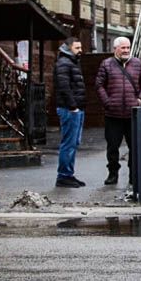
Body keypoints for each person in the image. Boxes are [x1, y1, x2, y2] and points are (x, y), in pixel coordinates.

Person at [96, 36, 141, 185]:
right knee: (112, 147)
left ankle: (134, 176)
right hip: (113, 114)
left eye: (128, 47)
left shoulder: (137, 64)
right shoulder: (106, 64)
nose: (126, 50)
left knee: (135, 147)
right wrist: (107, 102)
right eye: (123, 48)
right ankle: (113, 174)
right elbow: (99, 85)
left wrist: (140, 98)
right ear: (115, 49)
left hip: (133, 114)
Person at [53, 37, 86, 188]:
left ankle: (68, 174)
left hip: (74, 109)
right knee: (69, 143)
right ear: (68, 48)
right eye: (77, 48)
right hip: (69, 110)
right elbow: (64, 87)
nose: (80, 51)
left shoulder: (70, 63)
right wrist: (73, 107)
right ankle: (64, 176)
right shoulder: (64, 64)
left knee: (73, 143)